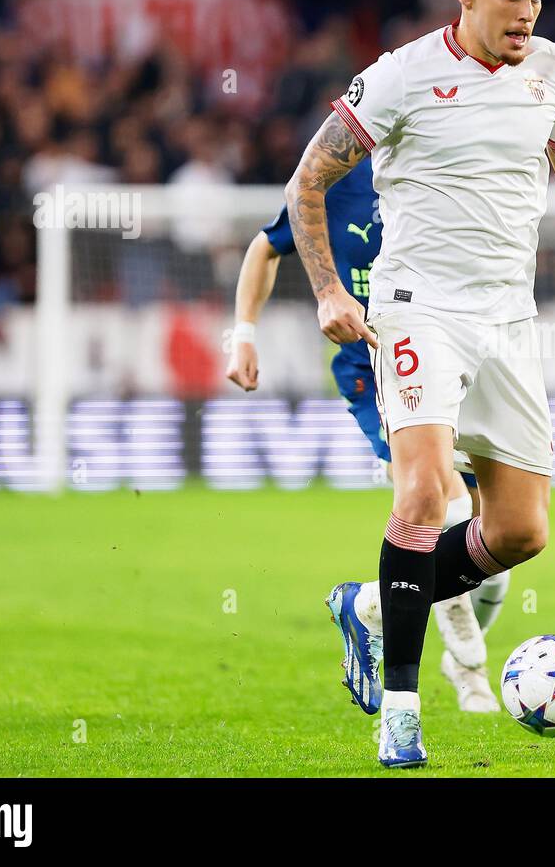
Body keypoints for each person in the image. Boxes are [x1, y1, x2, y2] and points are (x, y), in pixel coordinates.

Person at [286, 0, 555, 767]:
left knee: (520, 533)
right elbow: (309, 181)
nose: (528, 13)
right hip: (420, 312)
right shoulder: (403, 77)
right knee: (421, 493)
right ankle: (402, 716)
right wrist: (332, 290)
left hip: (509, 322)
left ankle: (369, 603)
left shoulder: (552, 70)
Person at [225, 157, 510, 713]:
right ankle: (472, 667)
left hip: (458, 358)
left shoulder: (445, 170)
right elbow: (265, 247)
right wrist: (242, 335)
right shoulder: (333, 184)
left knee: (495, 538)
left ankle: (384, 615)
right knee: (440, 503)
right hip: (375, 365)